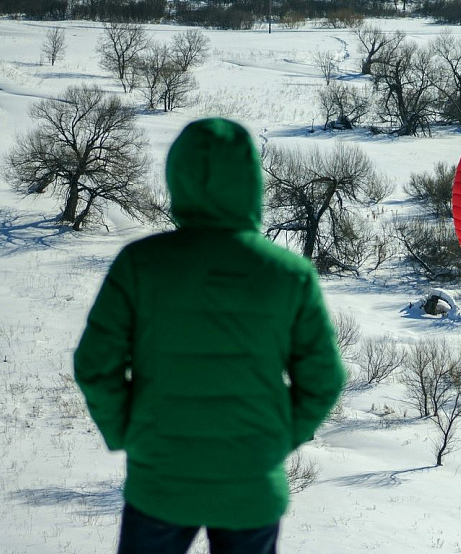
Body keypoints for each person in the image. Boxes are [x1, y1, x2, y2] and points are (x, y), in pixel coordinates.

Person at [73, 118, 346, 554]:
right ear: (251, 181)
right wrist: (277, 438)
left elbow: (94, 363)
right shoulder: (288, 274)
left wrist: (126, 431)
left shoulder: (140, 264)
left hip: (160, 478)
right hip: (251, 483)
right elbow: (324, 379)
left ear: (177, 176)